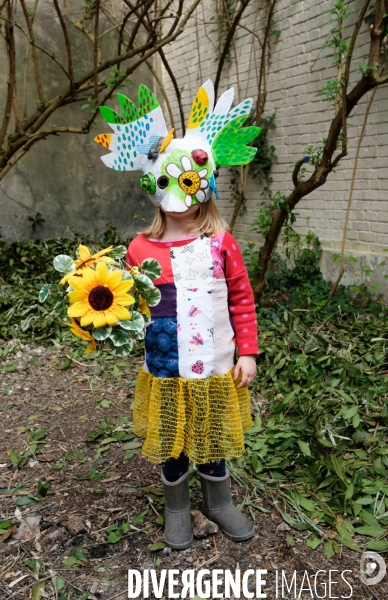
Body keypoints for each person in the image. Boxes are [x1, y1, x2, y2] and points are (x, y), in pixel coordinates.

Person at [94, 79, 261, 549]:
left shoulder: (221, 243)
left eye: (186, 181)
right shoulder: (139, 247)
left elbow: (242, 300)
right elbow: (127, 303)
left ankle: (219, 500)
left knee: (209, 438)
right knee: (172, 441)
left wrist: (247, 352)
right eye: (166, 181)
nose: (179, 196)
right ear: (153, 184)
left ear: (203, 186)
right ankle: (176, 508)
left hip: (213, 366)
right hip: (165, 369)